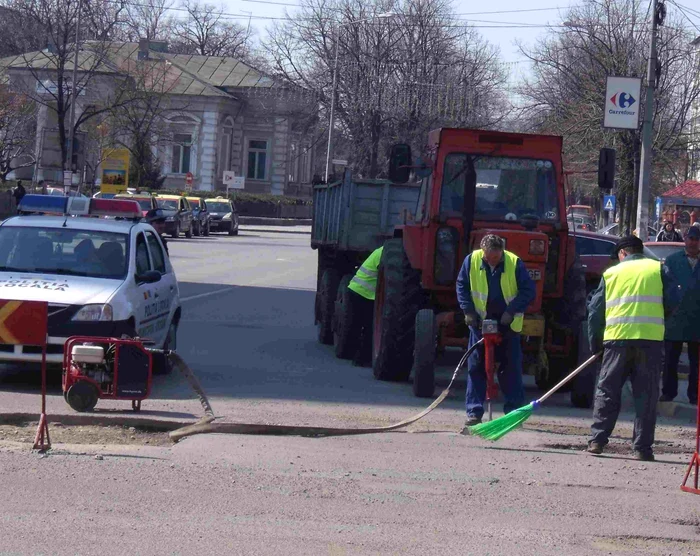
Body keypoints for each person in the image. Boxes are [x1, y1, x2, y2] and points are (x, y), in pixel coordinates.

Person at [587, 235, 679, 461]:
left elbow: (595, 313)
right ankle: (642, 449)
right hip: (650, 341)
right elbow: (674, 299)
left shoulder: (611, 273)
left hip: (617, 341)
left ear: (622, 253)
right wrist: (659, 317)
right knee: (646, 396)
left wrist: (595, 345)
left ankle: (597, 441)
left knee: (607, 392)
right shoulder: (658, 269)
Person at [456, 234, 536, 428]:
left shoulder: (514, 263)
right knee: (477, 368)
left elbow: (528, 291)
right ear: (483, 253)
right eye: (490, 257)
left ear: (502, 251)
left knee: (511, 370)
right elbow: (462, 286)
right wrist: (468, 311)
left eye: (497, 257)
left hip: (507, 326)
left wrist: (511, 311)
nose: (494, 260)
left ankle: (513, 415)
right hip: (480, 324)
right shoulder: (472, 261)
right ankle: (474, 413)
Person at [661, 226, 700, 405]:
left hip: (696, 321)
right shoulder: (672, 260)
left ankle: (695, 395)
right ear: (685, 239)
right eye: (691, 238)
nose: (693, 242)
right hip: (675, 320)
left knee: (697, 364)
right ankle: (668, 393)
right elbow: (665, 288)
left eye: (697, 239)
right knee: (670, 360)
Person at [346, 246, 383, 367]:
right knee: (368, 327)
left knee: (359, 325)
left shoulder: (381, 250)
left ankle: (356, 356)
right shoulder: (384, 253)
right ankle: (361, 359)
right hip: (362, 293)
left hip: (358, 291)